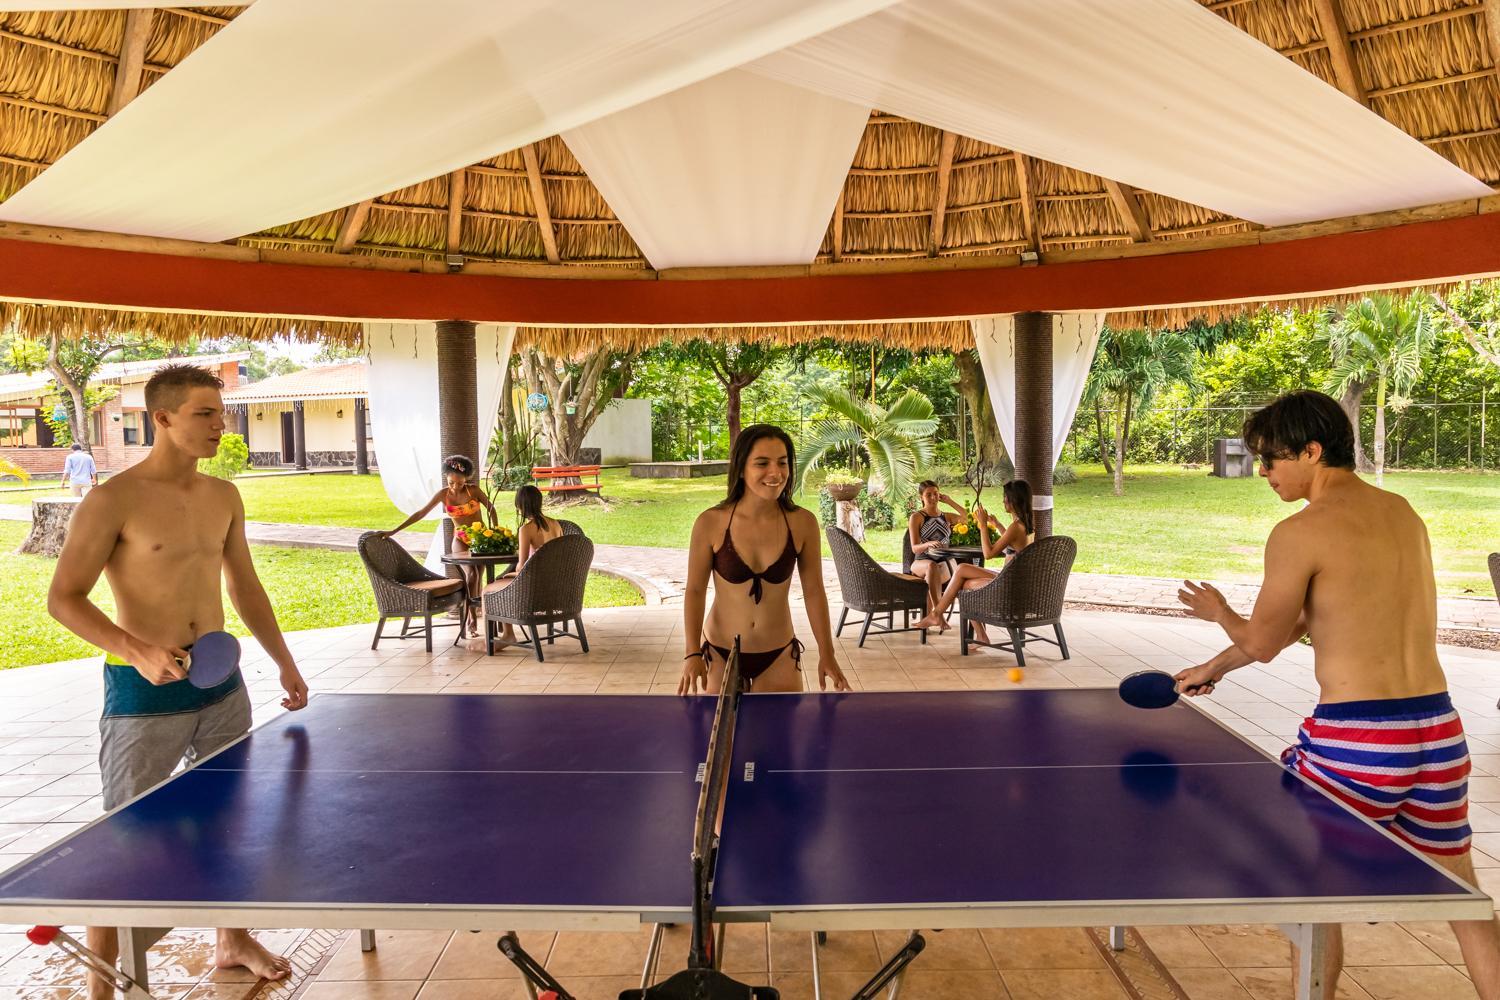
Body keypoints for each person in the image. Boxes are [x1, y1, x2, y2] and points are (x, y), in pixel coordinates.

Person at [1173, 389, 1500, 998]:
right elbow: (1305, 621)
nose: (1264, 472)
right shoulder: (1402, 512)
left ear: (1312, 451)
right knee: (1467, 901)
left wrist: (1220, 613)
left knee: (1311, 893)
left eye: (1271, 458)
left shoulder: (1299, 532)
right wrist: (1214, 667)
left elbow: (1262, 640)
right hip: (1437, 734)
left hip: (1359, 740)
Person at [47, 364, 310, 999]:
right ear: (162, 419)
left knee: (226, 815)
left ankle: (232, 938)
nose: (221, 425)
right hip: (143, 691)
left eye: (221, 413)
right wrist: (134, 650)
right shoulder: (112, 500)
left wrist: (284, 660)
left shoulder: (224, 496)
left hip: (220, 681)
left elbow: (245, 586)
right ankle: (101, 985)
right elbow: (64, 598)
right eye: (205, 414)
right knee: (127, 833)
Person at [679, 424, 849, 695]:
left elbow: (814, 591)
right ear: (741, 468)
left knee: (778, 724)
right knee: (720, 724)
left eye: (782, 462)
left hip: (778, 654)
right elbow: (695, 590)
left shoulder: (802, 523)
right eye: (762, 463)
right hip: (721, 652)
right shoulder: (711, 523)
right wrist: (692, 653)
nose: (775, 473)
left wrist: (827, 653)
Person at [379, 454, 498, 631]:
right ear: (446, 477)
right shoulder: (443, 495)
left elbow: (491, 509)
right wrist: (394, 531)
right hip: (460, 538)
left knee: (478, 575)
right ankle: (471, 616)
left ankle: (474, 613)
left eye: (460, 483)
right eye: (451, 482)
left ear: (466, 479)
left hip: (480, 538)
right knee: (471, 574)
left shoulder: (473, 491)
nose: (455, 486)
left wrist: (494, 530)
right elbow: (420, 513)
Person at [912, 479, 1035, 643]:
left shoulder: (1015, 527)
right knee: (963, 576)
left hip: (1008, 583)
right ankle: (964, 627)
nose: (1003, 501)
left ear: (1014, 500)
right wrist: (998, 525)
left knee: (963, 578)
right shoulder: (1024, 525)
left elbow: (988, 554)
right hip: (1014, 579)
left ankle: (938, 615)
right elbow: (1013, 542)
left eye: (1005, 497)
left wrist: (983, 525)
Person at [480, 483, 564, 647]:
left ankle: (504, 636)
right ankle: (506, 634)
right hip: (554, 585)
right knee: (502, 580)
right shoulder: (556, 524)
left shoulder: (527, 529)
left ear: (520, 506)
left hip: (534, 587)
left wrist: (511, 574)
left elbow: (521, 566)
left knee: (488, 590)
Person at [906, 480, 968, 613]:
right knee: (931, 567)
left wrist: (949, 501)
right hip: (921, 562)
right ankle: (937, 614)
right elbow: (914, 548)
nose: (933, 497)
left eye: (935, 493)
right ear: (921, 497)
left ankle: (931, 617)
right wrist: (927, 544)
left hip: (945, 562)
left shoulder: (947, 517)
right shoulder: (916, 517)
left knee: (932, 576)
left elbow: (966, 518)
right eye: (928, 495)